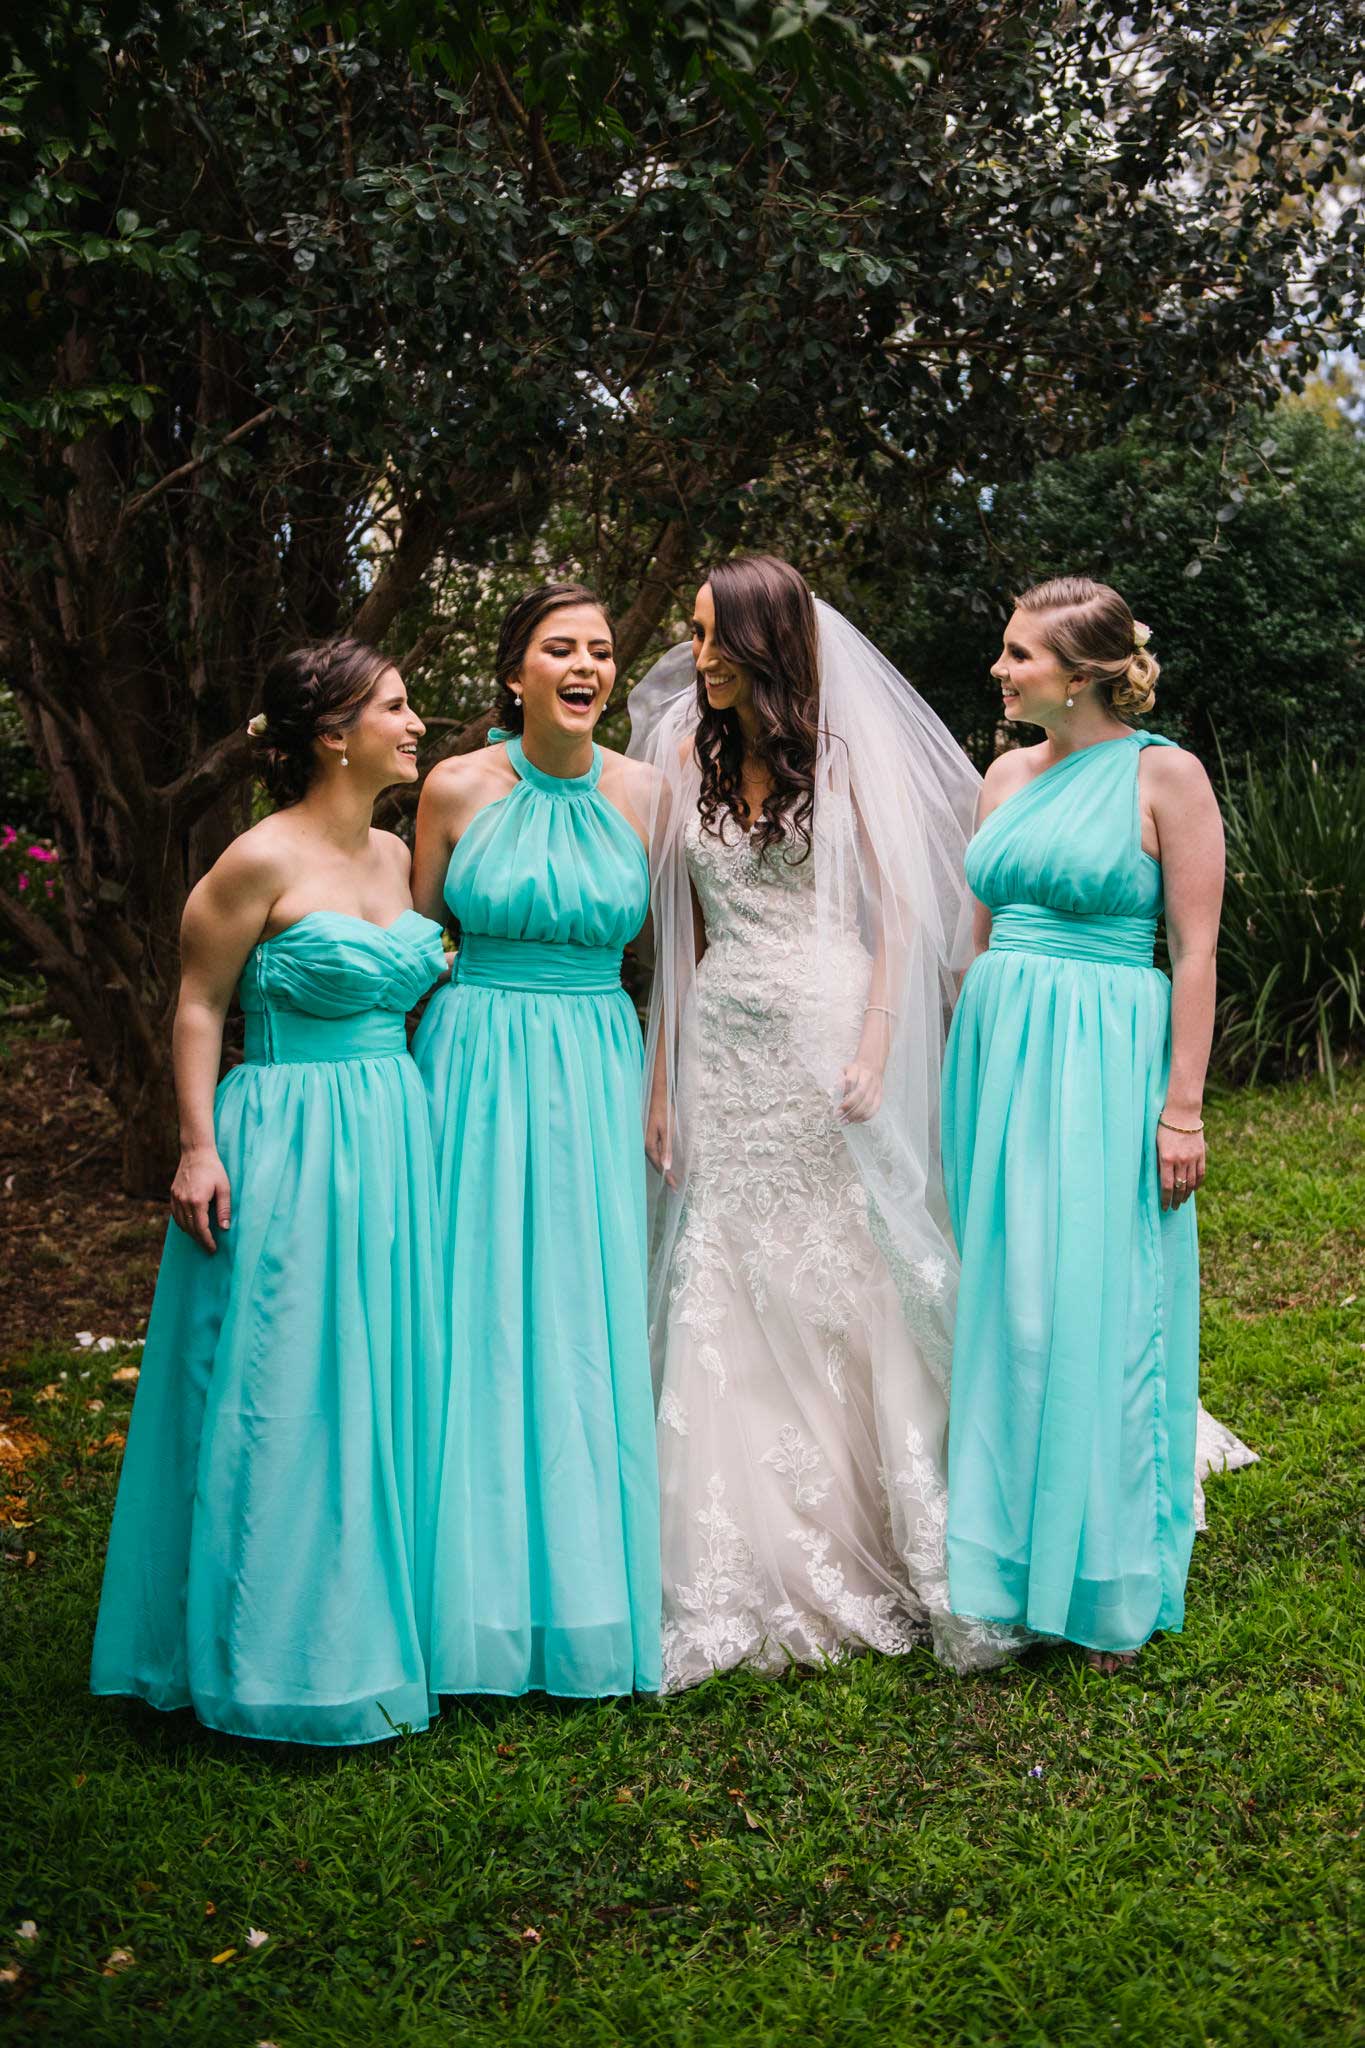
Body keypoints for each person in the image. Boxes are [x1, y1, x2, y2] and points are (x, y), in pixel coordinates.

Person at [630, 555, 1022, 1689]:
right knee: (726, 1260)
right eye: (692, 634)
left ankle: (895, 1509)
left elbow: (904, 906)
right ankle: (735, 1549)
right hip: (725, 1039)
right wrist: (664, 1077)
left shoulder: (841, 753)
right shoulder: (679, 754)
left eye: (712, 637)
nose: (694, 657)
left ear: (762, 642)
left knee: (854, 1255)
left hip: (831, 1020)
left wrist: (876, 1043)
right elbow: (675, 938)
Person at [92, 639, 449, 1743]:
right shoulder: (256, 858)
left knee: (384, 1372)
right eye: (395, 707)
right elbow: (199, 1005)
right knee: (282, 1378)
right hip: (288, 1130)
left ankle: (381, 1621)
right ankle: (270, 1650)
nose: (416, 721)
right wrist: (197, 1146)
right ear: (334, 735)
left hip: (394, 1128)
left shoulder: (396, 857)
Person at [943, 576, 1254, 1672]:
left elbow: (1197, 951)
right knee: (1011, 1306)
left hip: (1105, 1059)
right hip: (1002, 1054)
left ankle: (1105, 1566)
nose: (1001, 669)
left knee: (1097, 1299)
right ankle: (1015, 1565)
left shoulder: (1164, 774)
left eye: (1017, 654)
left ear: (1079, 673)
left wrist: (1181, 1107)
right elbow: (975, 941)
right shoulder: (1002, 775)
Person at [411, 585, 662, 1698]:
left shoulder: (648, 792)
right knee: (473, 1307)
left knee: (575, 1306)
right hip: (470, 1057)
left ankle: (582, 1595)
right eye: (560, 646)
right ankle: (464, 1596)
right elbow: (413, 946)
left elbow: (677, 960)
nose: (586, 663)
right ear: (514, 672)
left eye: (601, 650)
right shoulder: (455, 786)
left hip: (597, 1054)